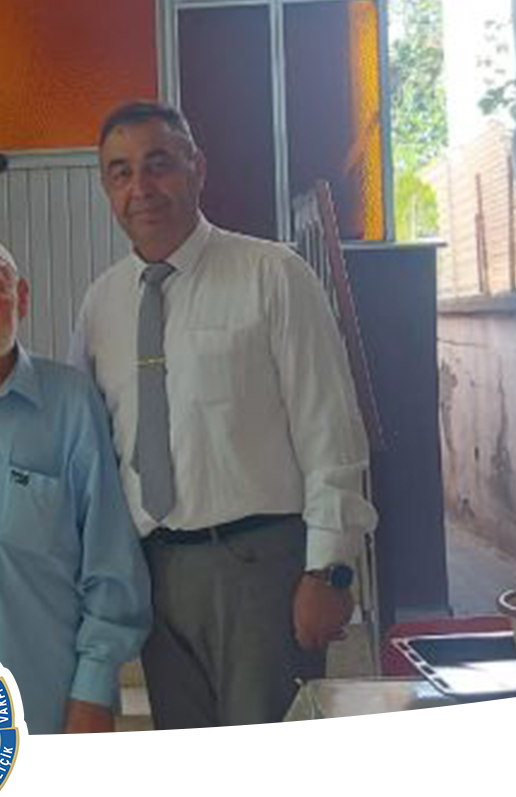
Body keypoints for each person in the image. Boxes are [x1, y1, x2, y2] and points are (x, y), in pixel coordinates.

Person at [70, 101, 376, 728]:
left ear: (197, 168)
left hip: (260, 569)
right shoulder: (102, 304)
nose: (140, 187)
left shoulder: (273, 275)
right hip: (154, 573)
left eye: (159, 164)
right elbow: (90, 447)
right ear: (107, 188)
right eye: (121, 172)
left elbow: (330, 431)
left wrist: (329, 569)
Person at [0, 234, 150, 735]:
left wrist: (94, 688)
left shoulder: (71, 402)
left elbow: (109, 557)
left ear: (21, 297)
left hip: (46, 696)